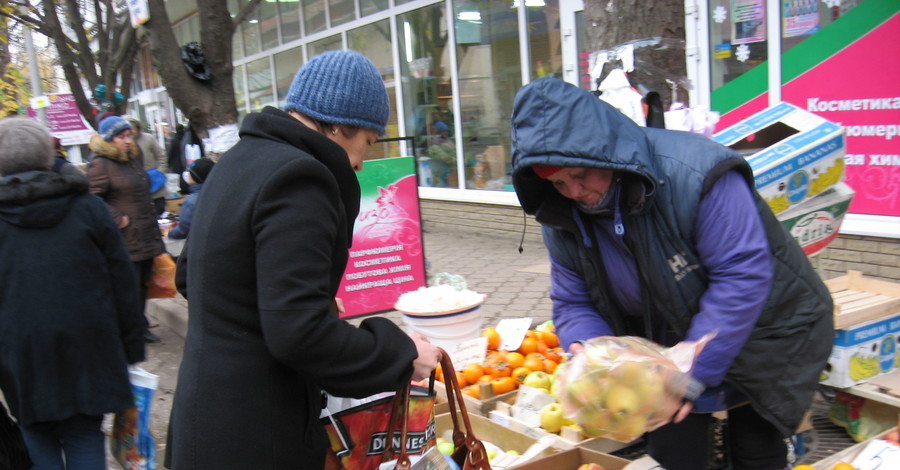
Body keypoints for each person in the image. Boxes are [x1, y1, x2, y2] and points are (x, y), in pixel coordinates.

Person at [510, 77, 833, 470]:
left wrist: (687, 371)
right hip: (664, 339)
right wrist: (595, 362)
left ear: (604, 153)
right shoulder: (562, 215)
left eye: (580, 173)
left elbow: (742, 275)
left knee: (755, 444)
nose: (575, 191)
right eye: (558, 182)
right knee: (677, 450)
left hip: (760, 329)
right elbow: (573, 300)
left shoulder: (695, 174)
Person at [165, 50, 442, 469]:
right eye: (365, 142)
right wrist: (401, 354)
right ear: (340, 125)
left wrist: (287, 298)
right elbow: (299, 332)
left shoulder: (237, 161)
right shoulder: (301, 178)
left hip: (204, 418)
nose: (361, 162)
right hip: (259, 434)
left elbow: (192, 276)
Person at [0, 117, 146, 469]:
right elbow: (123, 284)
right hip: (89, 349)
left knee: (35, 432)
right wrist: (130, 349)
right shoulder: (89, 209)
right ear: (48, 156)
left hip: (21, 355)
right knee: (84, 433)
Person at [87, 114, 167, 344]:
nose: (127, 140)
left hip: (144, 234)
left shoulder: (131, 159)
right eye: (121, 137)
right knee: (127, 287)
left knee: (142, 284)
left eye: (129, 135)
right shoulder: (101, 163)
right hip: (124, 237)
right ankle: (128, 330)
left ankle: (139, 326)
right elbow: (91, 198)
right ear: (109, 139)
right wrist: (117, 218)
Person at [126, 116, 168, 215]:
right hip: (137, 185)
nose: (133, 131)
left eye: (134, 128)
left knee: (160, 209)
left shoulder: (149, 138)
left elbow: (161, 155)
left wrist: (161, 171)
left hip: (155, 179)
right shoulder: (126, 144)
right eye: (130, 129)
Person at [167, 157, 214, 240]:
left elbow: (184, 229)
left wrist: (170, 233)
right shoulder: (218, 193)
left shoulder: (191, 201)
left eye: (190, 173)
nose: (187, 175)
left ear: (196, 177)